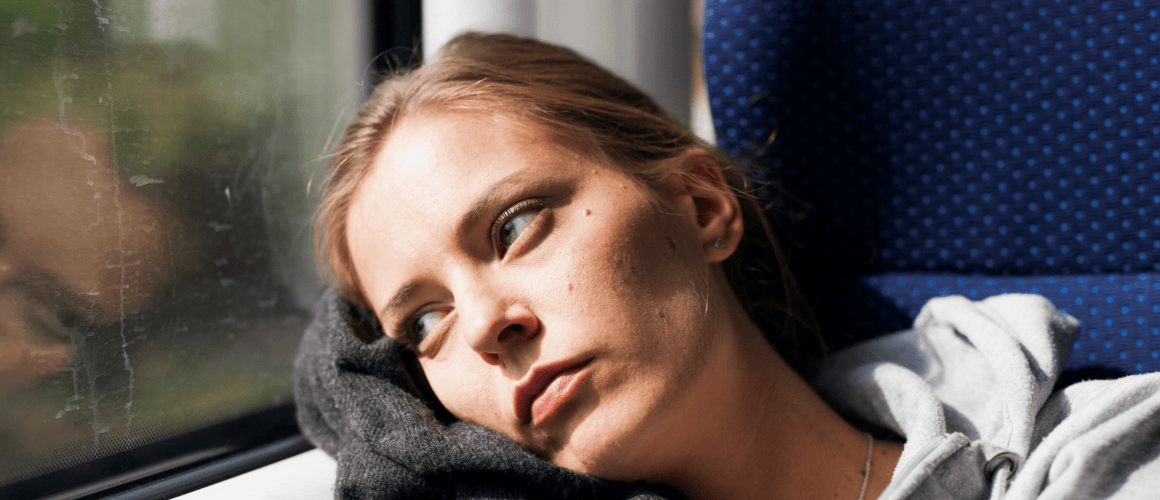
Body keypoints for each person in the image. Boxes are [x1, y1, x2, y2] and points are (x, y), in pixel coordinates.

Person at [294, 33, 1160, 499]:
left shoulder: (1104, 458)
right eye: (423, 322)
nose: (483, 327)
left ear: (704, 207)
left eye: (516, 225)